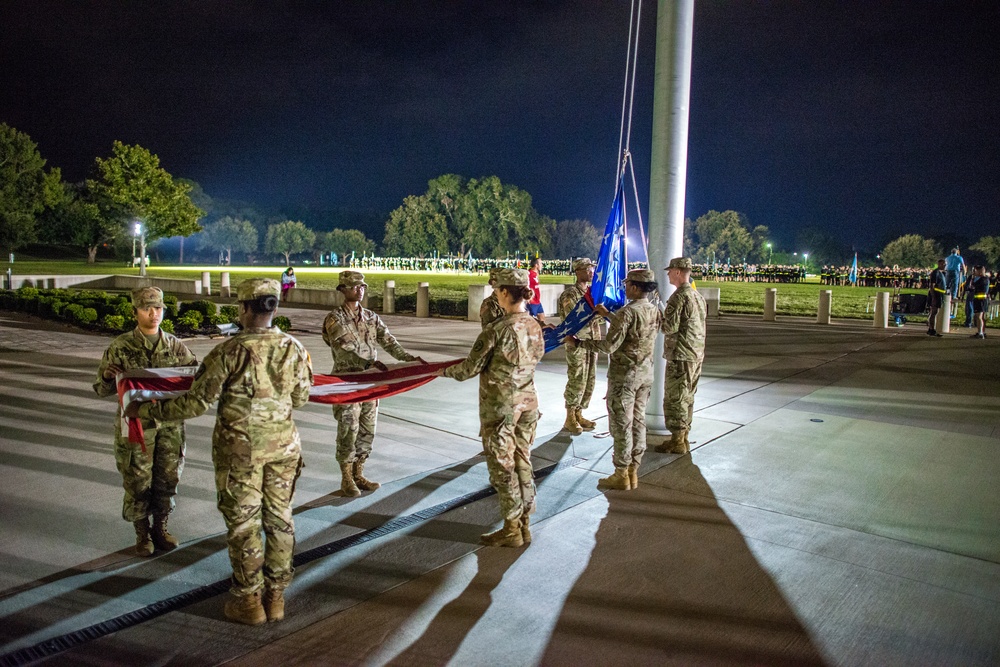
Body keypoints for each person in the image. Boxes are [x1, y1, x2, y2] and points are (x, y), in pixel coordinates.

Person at [125, 279, 313, 625]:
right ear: (274, 308)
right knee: (280, 519)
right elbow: (301, 398)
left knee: (244, 525)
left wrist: (146, 410)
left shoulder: (229, 352)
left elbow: (196, 403)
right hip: (284, 448)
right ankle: (276, 597)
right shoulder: (294, 348)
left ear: (243, 309)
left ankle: (249, 601)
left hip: (240, 452)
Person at [438, 268, 544, 547]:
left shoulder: (497, 330)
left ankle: (511, 528)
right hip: (529, 402)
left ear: (506, 293)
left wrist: (442, 371)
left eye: (498, 290)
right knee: (523, 460)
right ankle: (524, 524)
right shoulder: (534, 325)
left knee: (502, 465)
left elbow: (468, 369)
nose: (495, 293)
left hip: (501, 407)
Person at [93, 287, 197, 557]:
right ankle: (142, 533)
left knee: (167, 477)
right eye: (147, 309)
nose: (154, 314)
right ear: (134, 312)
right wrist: (106, 376)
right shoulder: (121, 346)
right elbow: (101, 389)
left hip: (170, 426)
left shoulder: (175, 346)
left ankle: (160, 528)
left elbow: (194, 379)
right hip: (136, 426)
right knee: (137, 480)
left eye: (159, 308)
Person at [323, 270, 419, 497]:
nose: (360, 289)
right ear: (343, 290)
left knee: (368, 429)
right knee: (349, 429)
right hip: (348, 384)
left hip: (371, 384)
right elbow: (342, 348)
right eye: (354, 286)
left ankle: (359, 473)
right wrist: (369, 364)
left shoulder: (371, 317)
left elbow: (389, 341)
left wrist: (407, 359)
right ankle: (346, 477)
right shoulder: (335, 318)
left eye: (362, 286)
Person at [568, 268, 660, 490]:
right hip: (644, 375)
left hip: (624, 377)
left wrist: (580, 343)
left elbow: (610, 345)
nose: (625, 287)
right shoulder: (653, 310)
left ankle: (621, 473)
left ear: (636, 288)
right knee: (638, 423)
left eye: (628, 284)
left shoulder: (628, 313)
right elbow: (630, 330)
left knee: (621, 424)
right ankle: (633, 471)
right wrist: (608, 315)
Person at [655, 257, 707, 455]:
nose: (668, 274)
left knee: (675, 398)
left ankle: (677, 440)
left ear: (678, 272)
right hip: (695, 354)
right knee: (688, 397)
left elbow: (669, 327)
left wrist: (657, 317)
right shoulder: (697, 296)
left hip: (680, 355)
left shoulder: (679, 297)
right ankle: (683, 438)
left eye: (670, 271)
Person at [557, 257, 601, 434]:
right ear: (578, 272)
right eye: (587, 269)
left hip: (592, 341)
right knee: (577, 378)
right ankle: (570, 416)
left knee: (589, 378)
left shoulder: (591, 293)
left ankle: (579, 413)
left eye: (592, 268)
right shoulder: (570, 295)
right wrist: (602, 314)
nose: (591, 272)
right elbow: (575, 320)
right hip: (577, 342)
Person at [968, 265, 991, 339]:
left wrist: (973, 280)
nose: (974, 272)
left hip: (981, 300)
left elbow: (974, 286)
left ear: (980, 271)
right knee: (978, 317)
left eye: (975, 271)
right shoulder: (981, 279)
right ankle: (980, 332)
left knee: (979, 317)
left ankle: (981, 333)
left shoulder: (984, 279)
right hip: (978, 299)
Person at [927, 258, 947, 336]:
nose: (944, 265)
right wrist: (933, 297)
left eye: (945, 264)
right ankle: (932, 329)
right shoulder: (936, 273)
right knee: (934, 312)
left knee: (935, 312)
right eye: (943, 264)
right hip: (936, 295)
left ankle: (931, 328)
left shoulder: (941, 273)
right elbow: (932, 285)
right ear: (939, 264)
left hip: (940, 295)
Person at [526, 257, 545, 323]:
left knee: (542, 320)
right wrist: (528, 299)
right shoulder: (529, 274)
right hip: (532, 302)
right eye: (540, 263)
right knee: (530, 322)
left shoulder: (536, 273)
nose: (542, 265)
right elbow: (525, 286)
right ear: (536, 265)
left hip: (538, 301)